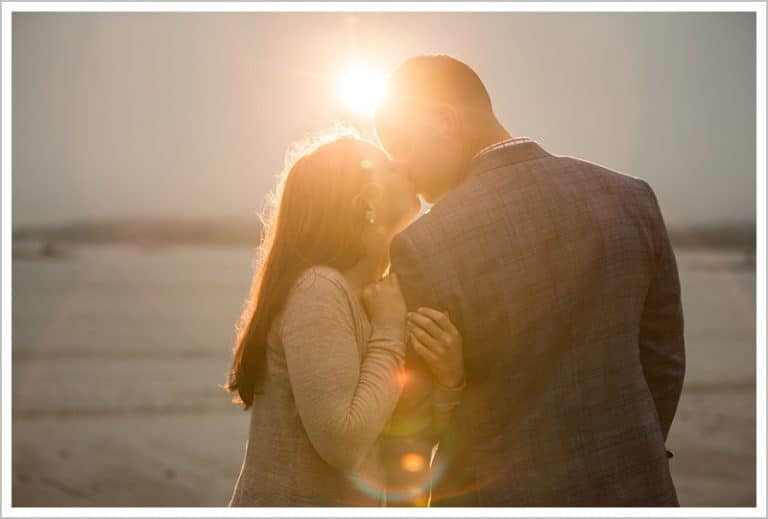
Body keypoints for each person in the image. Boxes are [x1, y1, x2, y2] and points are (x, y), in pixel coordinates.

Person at [373, 54, 685, 506]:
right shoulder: (630, 197)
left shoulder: (425, 244)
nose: (399, 166)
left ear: (444, 122)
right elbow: (664, 359)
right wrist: (633, 450)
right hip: (636, 488)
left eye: (401, 145)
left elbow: (414, 421)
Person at [225, 131, 466, 506]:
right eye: (388, 166)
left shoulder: (381, 296)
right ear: (365, 203)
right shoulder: (319, 289)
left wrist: (451, 382)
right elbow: (343, 442)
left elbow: (405, 445)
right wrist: (388, 330)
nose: (403, 165)